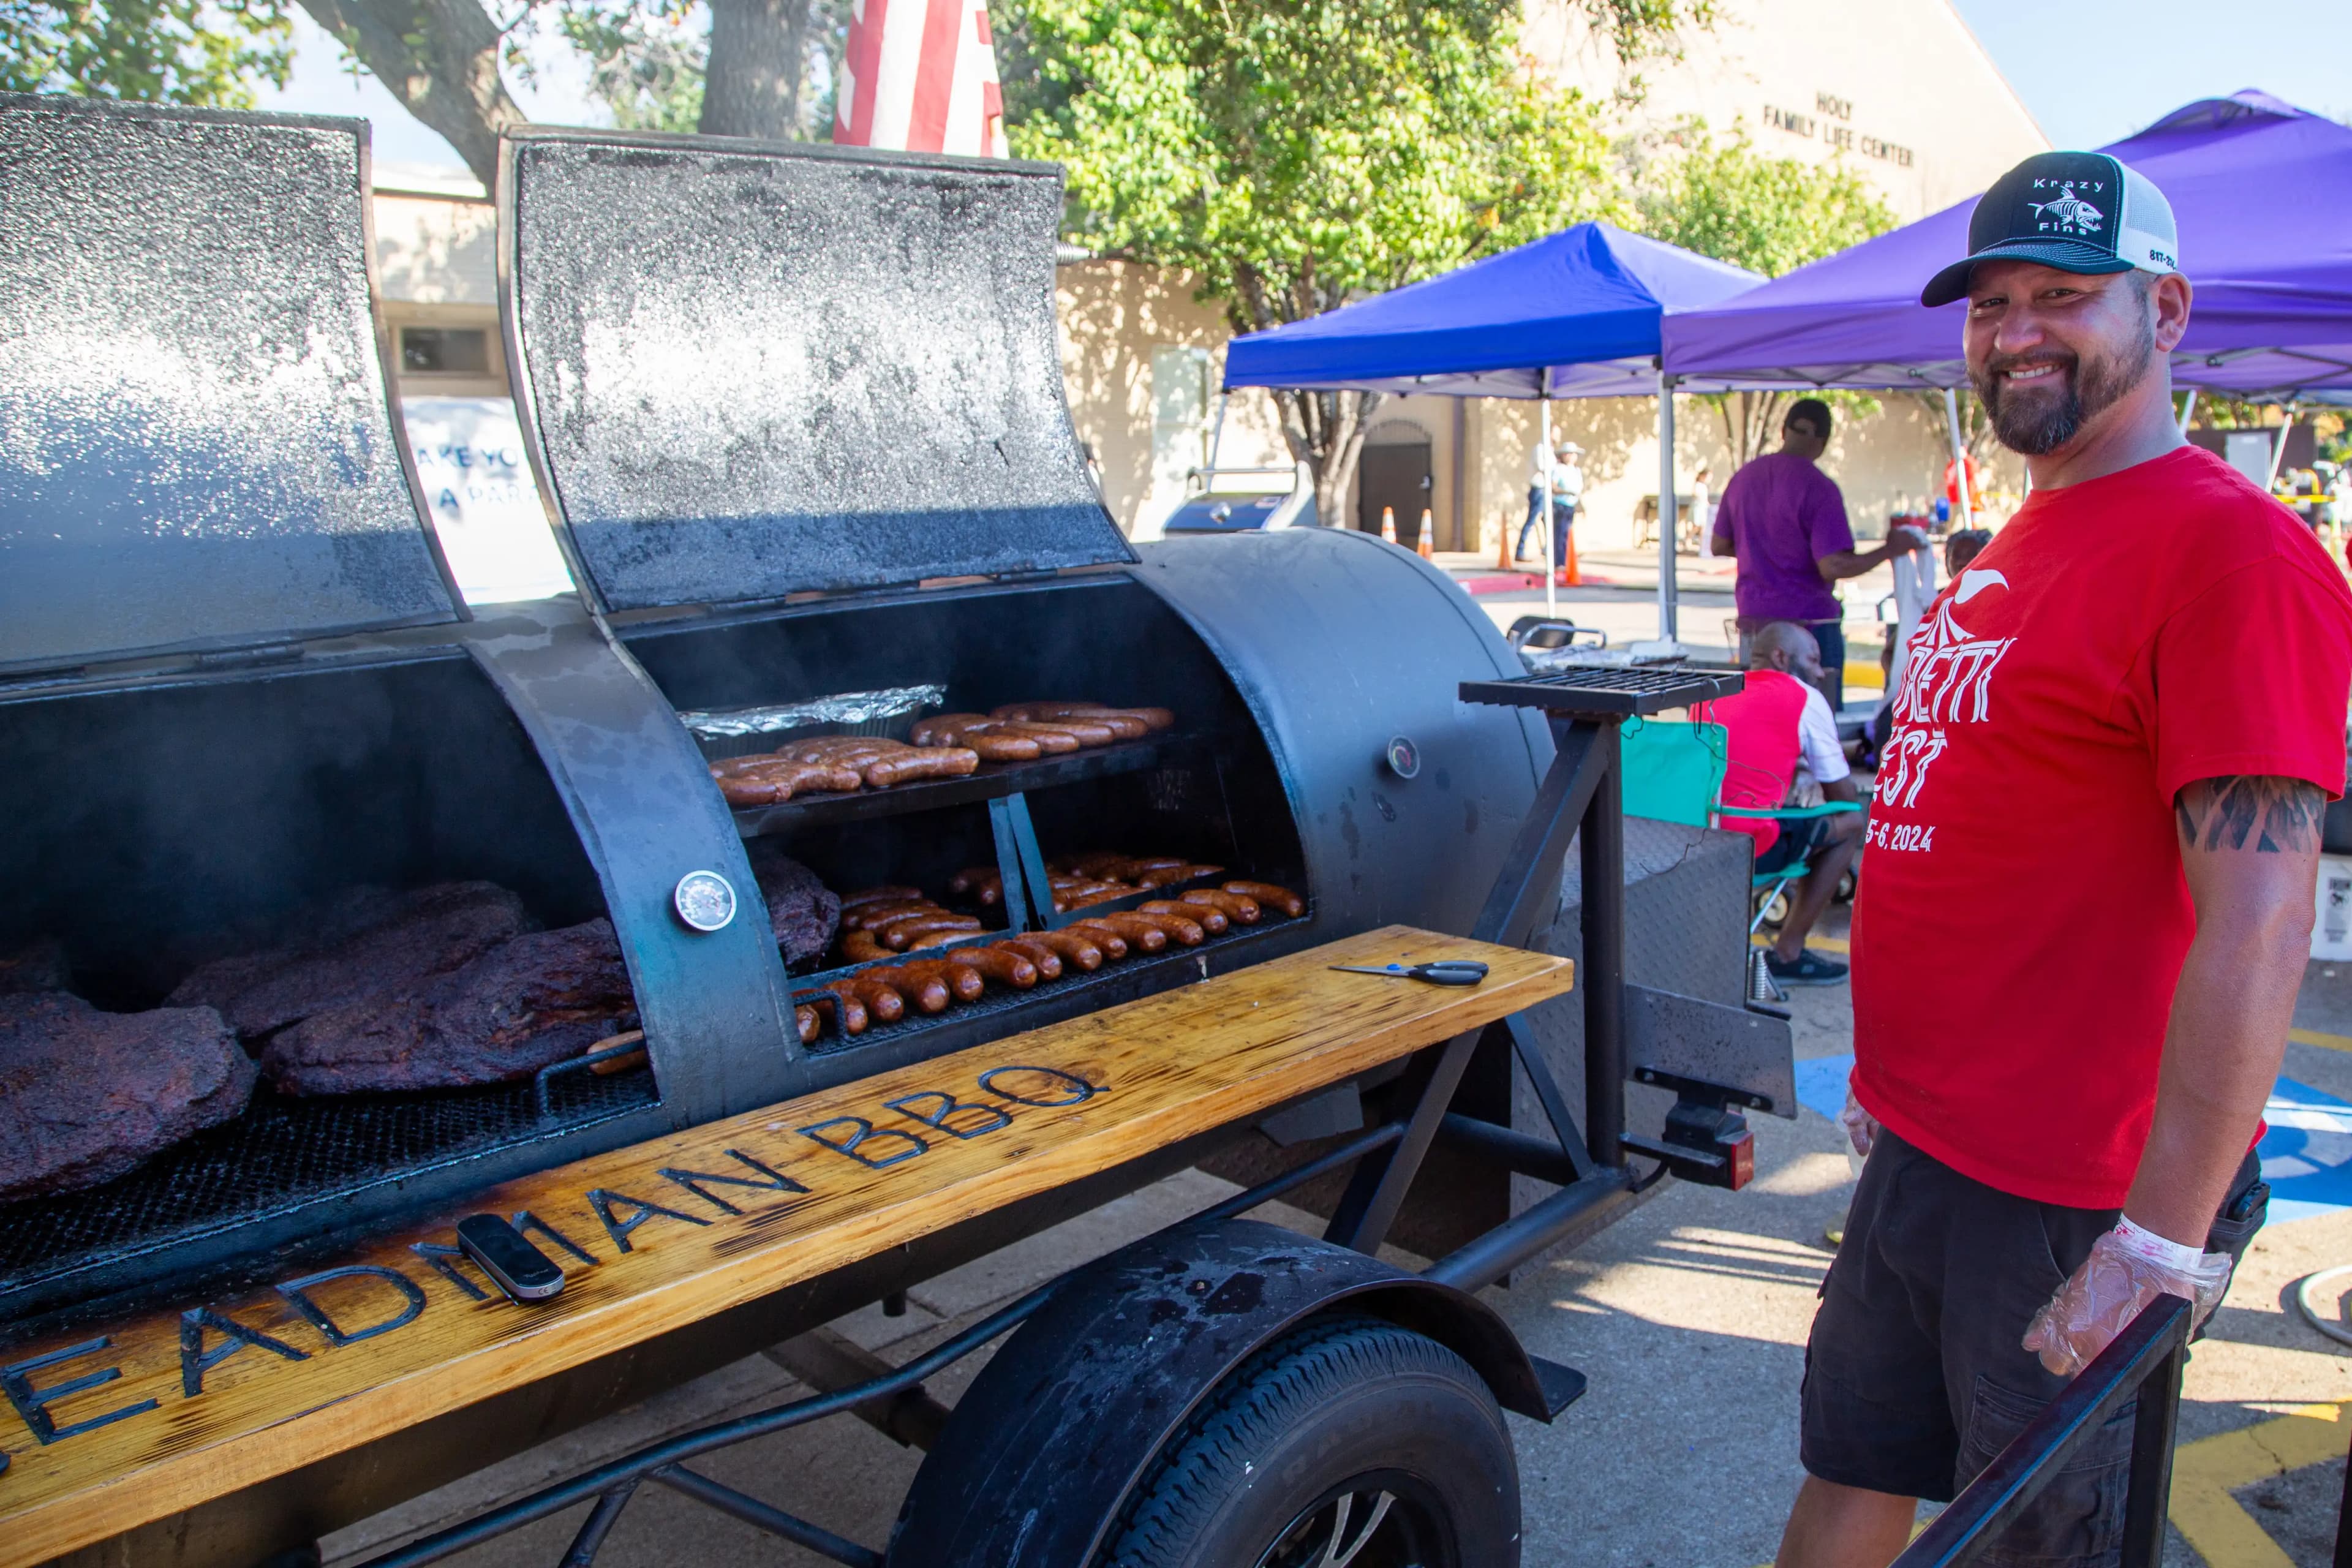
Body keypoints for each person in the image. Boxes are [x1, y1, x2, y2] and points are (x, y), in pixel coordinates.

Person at [1778, 150, 2352, 1568]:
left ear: (2163, 310)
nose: (2013, 329)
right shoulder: (2024, 535)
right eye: (1987, 303)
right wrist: (1889, 1070)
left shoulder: (2229, 555)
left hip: (2068, 1190)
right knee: (1851, 1458)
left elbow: (2260, 919)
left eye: (2058, 295)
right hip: (1925, 1144)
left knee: (2024, 1541)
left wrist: (2156, 1238)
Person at [1711, 399, 1926, 714]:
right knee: (1817, 723)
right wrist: (1888, 550)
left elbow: (1719, 544)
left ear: (1783, 431)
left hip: (1753, 622)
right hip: (1809, 626)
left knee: (1758, 714)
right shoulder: (1818, 487)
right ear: (1823, 442)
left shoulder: (1744, 478)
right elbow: (1833, 565)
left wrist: (1761, 550)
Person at [1693, 620, 1863, 986]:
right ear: (1781, 657)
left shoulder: (1713, 692)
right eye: (1814, 660)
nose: (1820, 672)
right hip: (1749, 846)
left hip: (1691, 840)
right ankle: (1789, 952)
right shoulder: (1803, 698)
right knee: (1851, 823)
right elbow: (1843, 798)